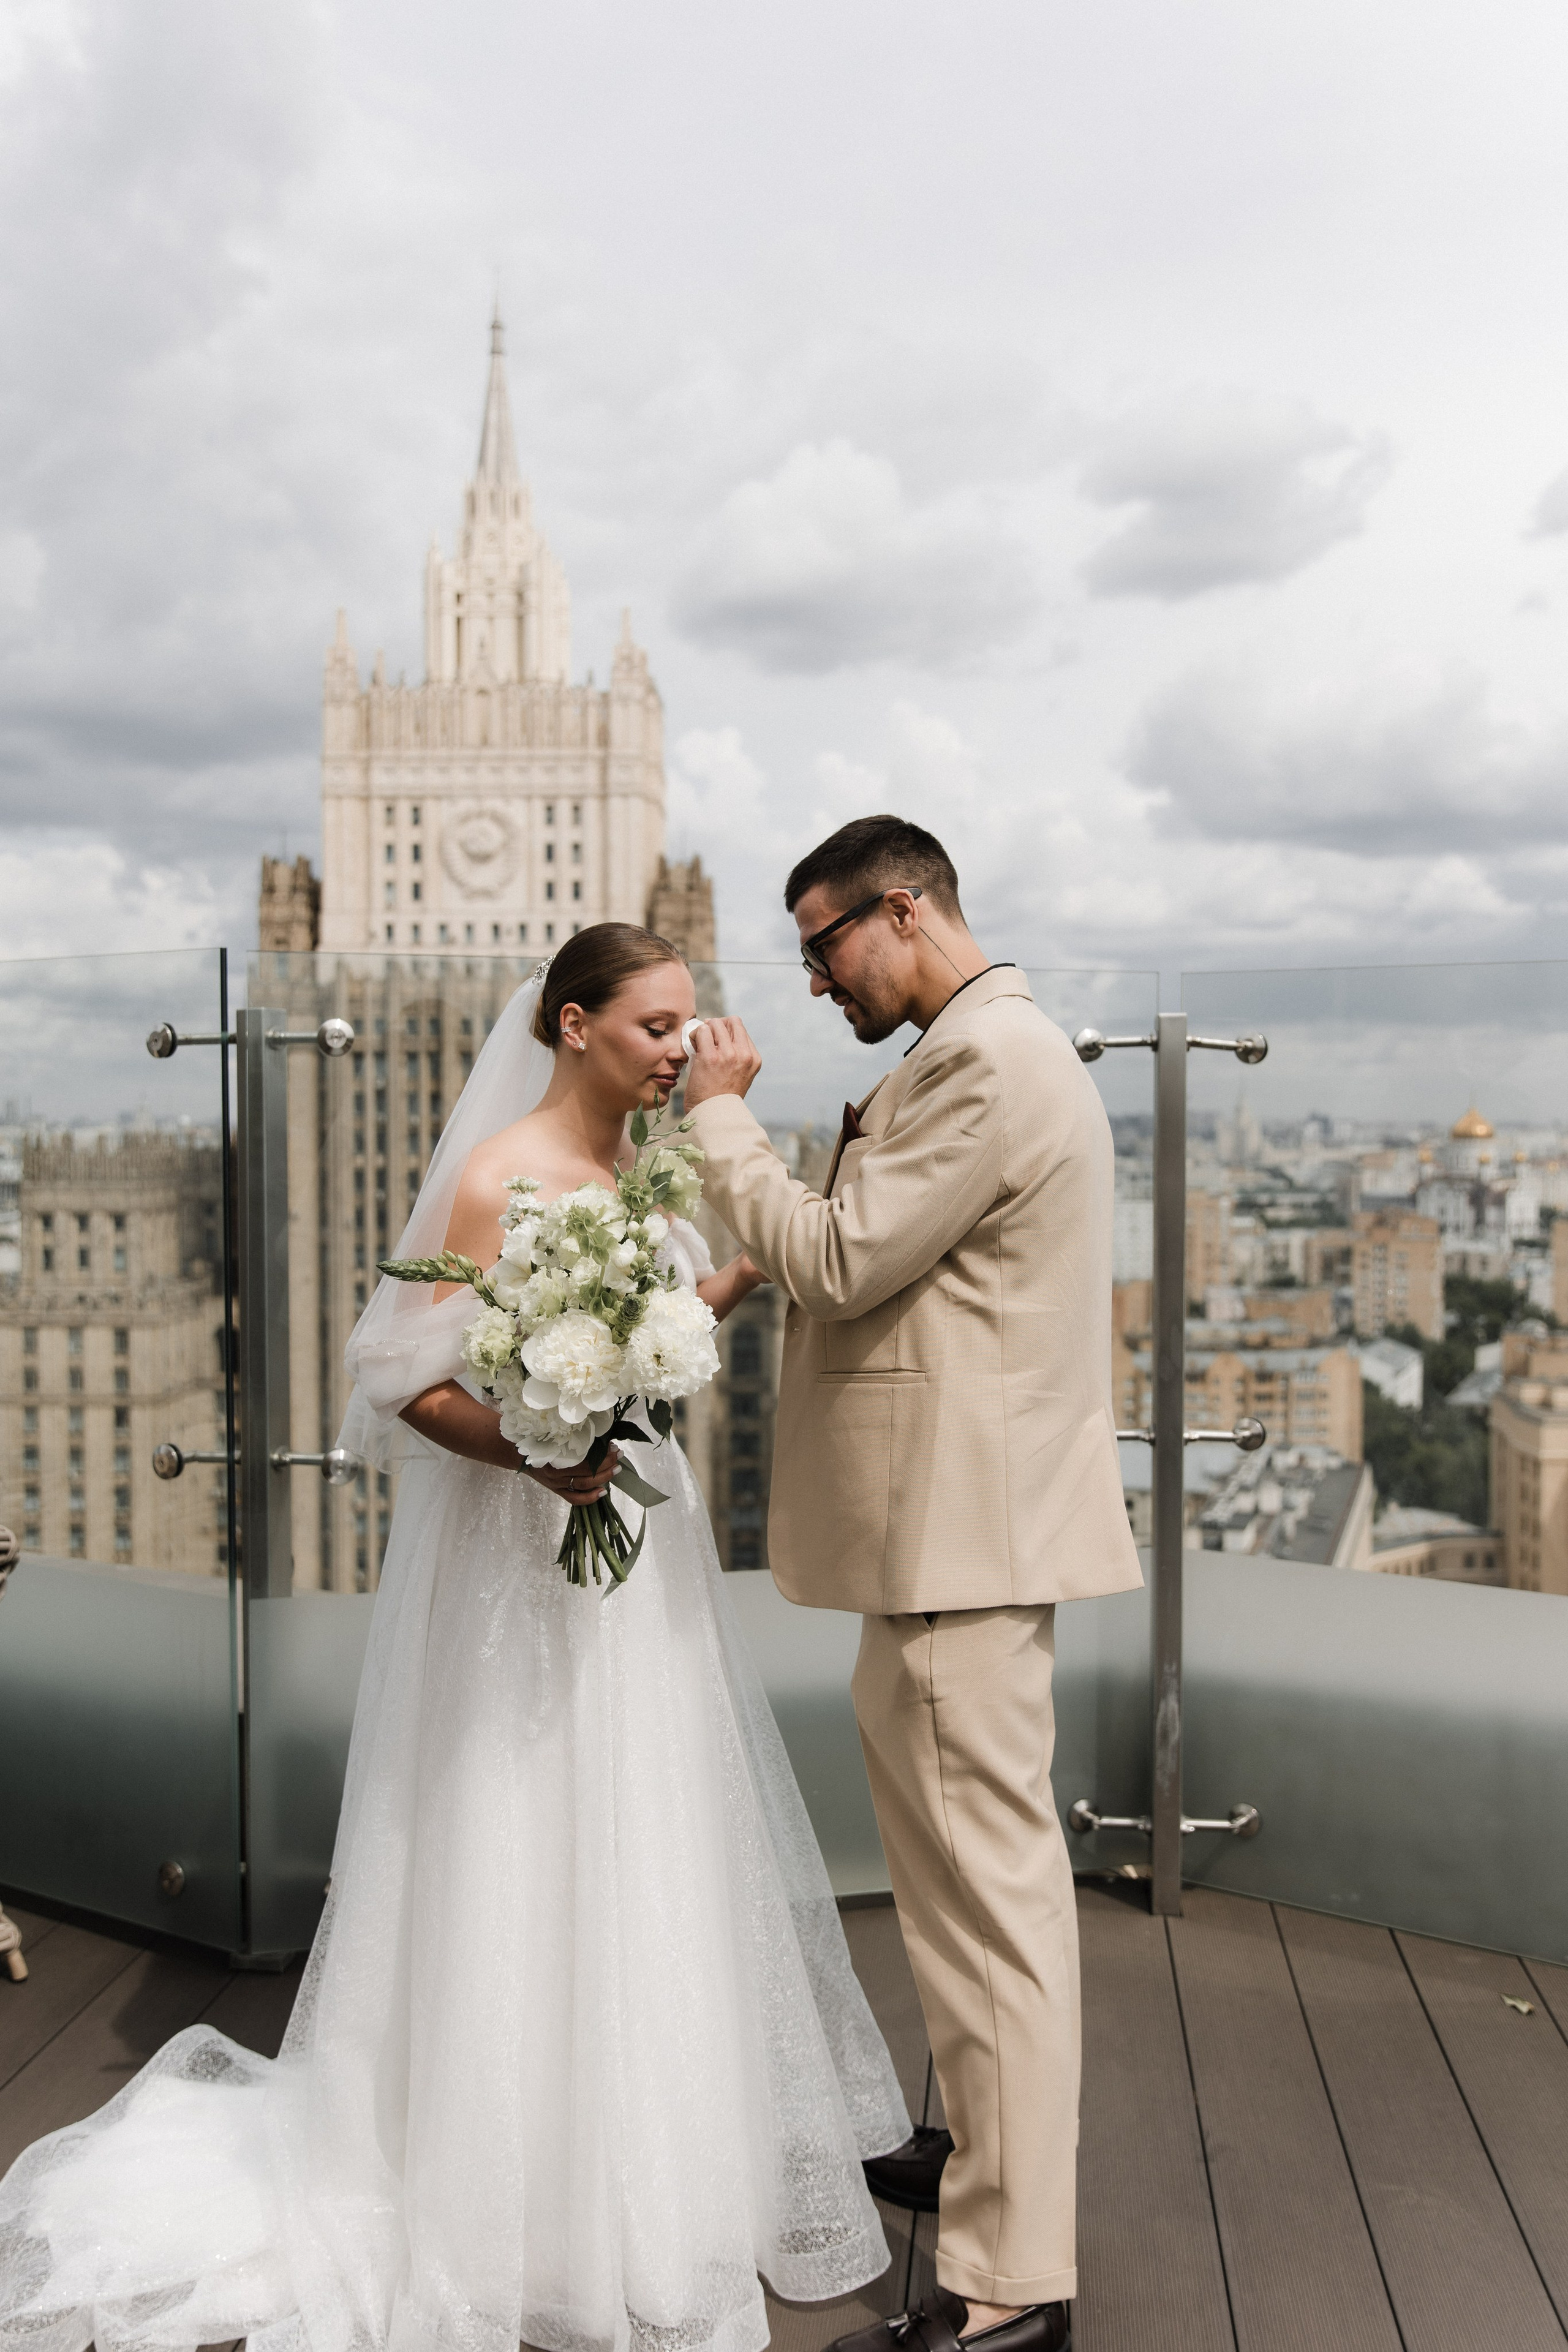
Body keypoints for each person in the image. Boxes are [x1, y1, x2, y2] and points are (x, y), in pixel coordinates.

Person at [0, 923, 911, 2352]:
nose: (680, 1048)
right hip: (519, 1569)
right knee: (514, 1828)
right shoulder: (499, 1178)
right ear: (569, 1026)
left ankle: (642, 2175)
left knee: (647, 1832)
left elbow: (651, 1320)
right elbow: (397, 1381)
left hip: (637, 1559)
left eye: (688, 1025)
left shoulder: (644, 1172)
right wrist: (534, 1454)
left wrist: (712, 1301)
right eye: (656, 1026)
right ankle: (500, 2186)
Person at [682, 818, 1144, 2352]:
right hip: (943, 1537)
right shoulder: (966, 1049)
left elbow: (838, 1258)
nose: (812, 980)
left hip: (967, 1541)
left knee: (993, 1916)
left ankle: (1011, 2284)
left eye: (822, 945)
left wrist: (720, 1124)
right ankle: (982, 2160)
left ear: (903, 908)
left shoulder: (987, 1064)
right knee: (957, 1902)